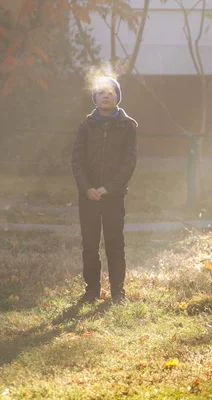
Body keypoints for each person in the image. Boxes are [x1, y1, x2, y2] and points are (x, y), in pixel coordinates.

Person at [71, 76, 137, 305]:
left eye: (111, 91)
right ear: (95, 98)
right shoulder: (86, 126)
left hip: (113, 196)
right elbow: (77, 160)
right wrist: (87, 187)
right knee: (90, 244)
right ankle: (91, 291)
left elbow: (129, 162)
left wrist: (109, 188)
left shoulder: (128, 126)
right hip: (88, 196)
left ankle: (118, 291)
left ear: (118, 96)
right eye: (101, 92)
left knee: (114, 243)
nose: (106, 95)